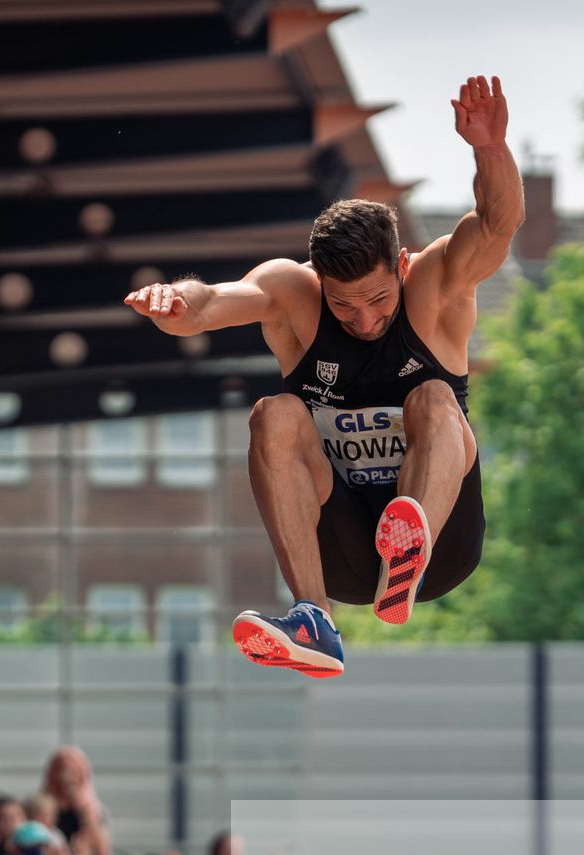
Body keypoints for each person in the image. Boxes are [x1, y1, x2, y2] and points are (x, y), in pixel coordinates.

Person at [123, 76, 521, 677]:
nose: (364, 319)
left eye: (380, 298)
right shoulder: (294, 292)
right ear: (317, 279)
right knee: (274, 414)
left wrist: (490, 150)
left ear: (403, 266)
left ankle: (409, 542)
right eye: (344, 304)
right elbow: (211, 303)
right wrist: (175, 303)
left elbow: (495, 227)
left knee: (434, 397)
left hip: (443, 547)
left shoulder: (434, 286)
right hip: (345, 548)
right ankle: (314, 619)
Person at [42, 745, 112, 855]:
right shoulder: (41, 804)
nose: (67, 777)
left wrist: (84, 810)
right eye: (62, 770)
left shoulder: (95, 809)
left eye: (73, 771)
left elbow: (103, 852)